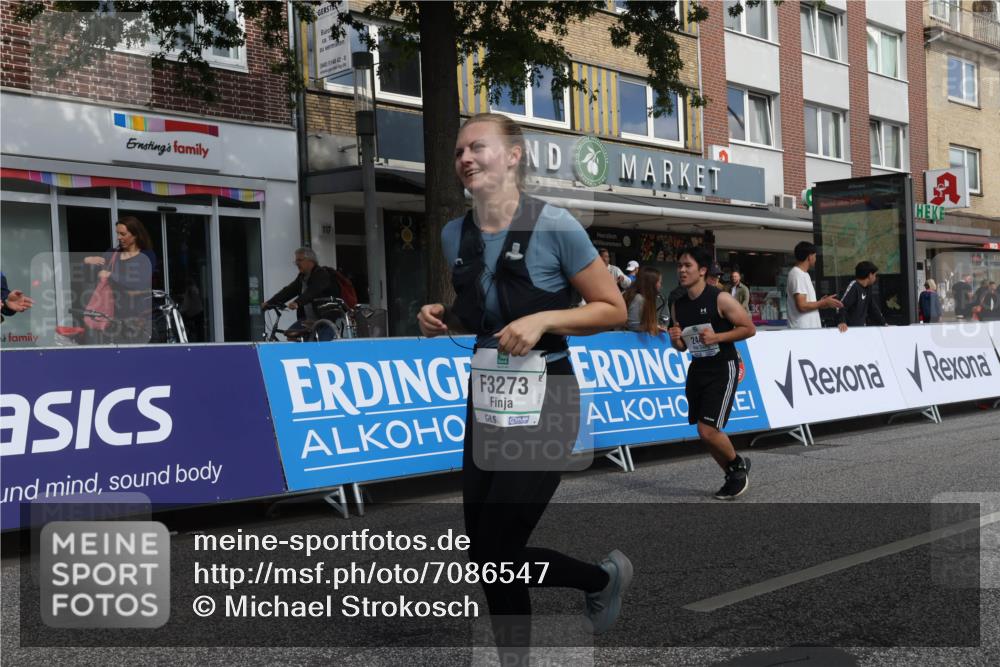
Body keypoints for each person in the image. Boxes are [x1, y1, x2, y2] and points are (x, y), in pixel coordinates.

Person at [416, 112, 630, 662]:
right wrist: (440, 314)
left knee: (499, 547)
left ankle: (594, 586)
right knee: (486, 553)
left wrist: (546, 321)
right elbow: (482, 312)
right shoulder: (452, 232)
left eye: (477, 147)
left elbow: (613, 308)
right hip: (486, 398)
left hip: (547, 397)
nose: (464, 158)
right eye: (459, 150)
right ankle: (596, 583)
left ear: (512, 155)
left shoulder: (555, 224)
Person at [667, 245, 756, 499]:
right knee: (703, 431)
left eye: (688, 266)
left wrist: (718, 336)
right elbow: (682, 347)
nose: (682, 271)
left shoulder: (720, 298)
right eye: (680, 266)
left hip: (723, 366)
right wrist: (675, 339)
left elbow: (749, 328)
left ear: (702, 271)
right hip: (698, 367)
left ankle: (737, 467)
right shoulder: (678, 304)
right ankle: (733, 472)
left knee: (708, 429)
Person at [83, 216, 156, 344]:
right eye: (117, 233)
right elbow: (91, 278)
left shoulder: (147, 256)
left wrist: (111, 275)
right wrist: (87, 261)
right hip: (112, 318)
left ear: (136, 235)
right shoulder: (112, 254)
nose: (119, 237)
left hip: (138, 320)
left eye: (123, 234)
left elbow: (140, 283)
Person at [262, 247, 340, 341]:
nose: (297, 264)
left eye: (300, 260)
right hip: (308, 320)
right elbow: (288, 291)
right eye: (296, 261)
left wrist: (297, 302)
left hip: (326, 320)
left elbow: (313, 291)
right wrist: (269, 303)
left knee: (321, 348)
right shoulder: (302, 278)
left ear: (311, 261)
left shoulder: (322, 274)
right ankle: (301, 355)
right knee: (291, 336)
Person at [785, 241, 843, 329]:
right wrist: (823, 302)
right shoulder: (797, 274)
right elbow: (802, 306)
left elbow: (806, 304)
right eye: (815, 256)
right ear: (810, 257)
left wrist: (823, 303)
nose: (815, 259)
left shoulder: (804, 274)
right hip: (802, 331)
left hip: (809, 330)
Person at [836, 261, 888, 332]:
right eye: (875, 275)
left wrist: (884, 323)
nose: (875, 277)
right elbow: (840, 305)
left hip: (861, 331)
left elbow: (873, 308)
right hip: (847, 332)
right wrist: (842, 321)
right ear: (870, 275)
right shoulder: (854, 287)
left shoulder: (867, 288)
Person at [624, 266, 667, 334]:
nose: (660, 285)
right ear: (651, 283)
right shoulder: (638, 299)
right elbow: (632, 325)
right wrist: (652, 327)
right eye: (659, 282)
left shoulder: (643, 298)